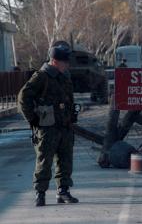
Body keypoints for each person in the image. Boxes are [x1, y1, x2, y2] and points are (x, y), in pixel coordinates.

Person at [18, 44, 78, 207]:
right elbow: (23, 98)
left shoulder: (64, 76)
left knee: (65, 160)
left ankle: (63, 191)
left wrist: (72, 116)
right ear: (54, 61)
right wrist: (33, 119)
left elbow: (69, 99)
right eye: (63, 61)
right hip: (47, 127)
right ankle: (40, 193)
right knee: (44, 161)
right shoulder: (41, 77)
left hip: (64, 126)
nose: (67, 64)